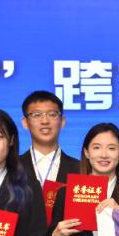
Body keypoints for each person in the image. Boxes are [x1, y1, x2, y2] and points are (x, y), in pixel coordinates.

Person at [18, 91, 79, 221]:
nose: (45, 121)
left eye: (52, 114)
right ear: (25, 122)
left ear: (62, 121)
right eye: (36, 115)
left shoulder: (81, 169)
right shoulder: (11, 167)